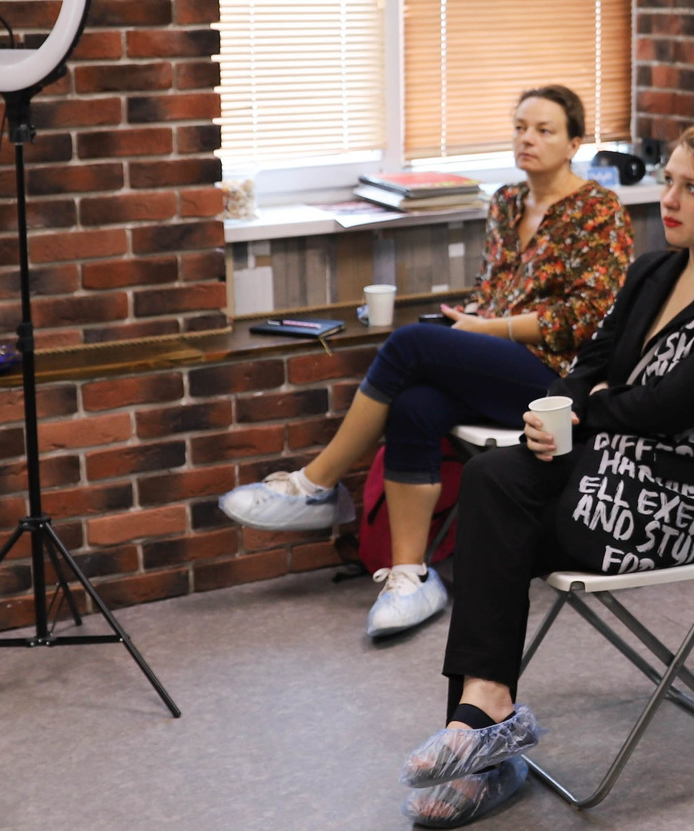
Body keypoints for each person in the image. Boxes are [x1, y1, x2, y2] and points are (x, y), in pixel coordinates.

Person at [394, 124, 694, 829]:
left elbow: (672, 407)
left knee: (501, 518)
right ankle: (482, 714)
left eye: (691, 188)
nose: (668, 199)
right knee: (491, 478)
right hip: (605, 468)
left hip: (678, 505)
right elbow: (591, 365)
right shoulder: (654, 270)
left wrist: (592, 409)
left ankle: (483, 737)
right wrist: (564, 406)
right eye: (668, 181)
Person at [220, 85, 633, 637]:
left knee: (410, 345)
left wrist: (485, 329)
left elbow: (590, 317)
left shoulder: (599, 209)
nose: (527, 139)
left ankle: (317, 484)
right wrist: (470, 320)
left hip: (559, 381)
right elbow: (493, 291)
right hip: (499, 359)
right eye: (519, 127)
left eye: (544, 130)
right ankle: (410, 574)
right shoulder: (507, 201)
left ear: (575, 143)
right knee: (415, 403)